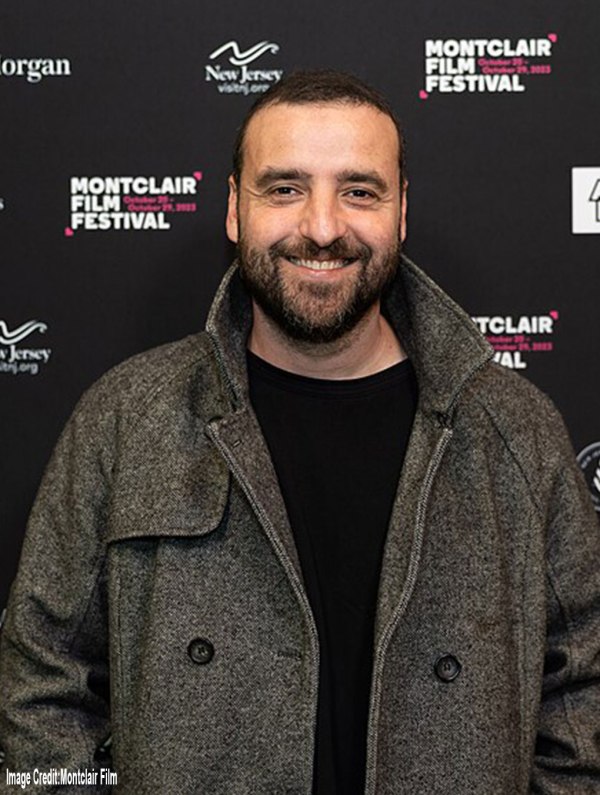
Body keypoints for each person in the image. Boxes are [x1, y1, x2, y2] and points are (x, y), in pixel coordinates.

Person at [0, 70, 599, 795]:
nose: (321, 226)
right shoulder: (126, 420)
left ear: (401, 212)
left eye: (359, 190)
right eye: (284, 188)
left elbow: (581, 693)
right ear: (233, 209)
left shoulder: (516, 432)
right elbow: (42, 682)